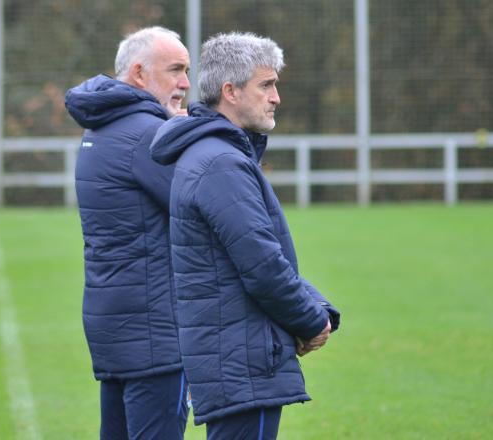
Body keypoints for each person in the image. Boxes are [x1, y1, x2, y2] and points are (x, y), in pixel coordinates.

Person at [150, 32, 341, 439]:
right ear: (230, 92)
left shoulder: (220, 154)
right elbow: (262, 265)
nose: (276, 98)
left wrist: (317, 306)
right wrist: (310, 320)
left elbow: (258, 256)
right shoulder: (219, 162)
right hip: (242, 360)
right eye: (266, 85)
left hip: (238, 355)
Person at [64, 26, 190, 439]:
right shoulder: (148, 136)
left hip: (116, 326)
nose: (185, 83)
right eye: (174, 70)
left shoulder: (101, 128)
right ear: (138, 73)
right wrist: (192, 140)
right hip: (154, 334)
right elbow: (209, 201)